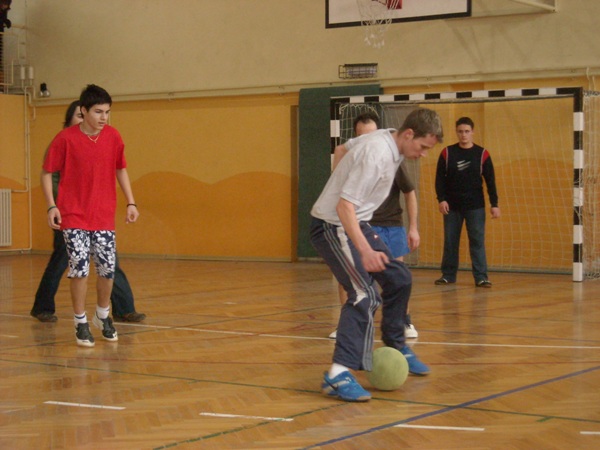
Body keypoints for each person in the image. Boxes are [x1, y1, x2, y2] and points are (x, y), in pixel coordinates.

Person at [311, 108, 443, 402]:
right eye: (422, 147)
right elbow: (344, 207)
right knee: (363, 294)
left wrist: (339, 176)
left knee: (399, 278)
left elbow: (342, 148)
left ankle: (396, 346)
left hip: (356, 223)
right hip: (333, 226)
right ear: (408, 134)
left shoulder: (386, 138)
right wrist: (365, 249)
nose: (423, 154)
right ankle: (337, 374)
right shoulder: (377, 155)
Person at [41, 84, 139, 347]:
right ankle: (80, 321)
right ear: (83, 111)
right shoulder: (65, 139)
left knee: (107, 270)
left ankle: (102, 314)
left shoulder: (113, 136)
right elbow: (47, 172)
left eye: (107, 112)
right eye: (98, 111)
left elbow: (121, 169)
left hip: (103, 215)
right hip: (74, 215)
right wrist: (52, 206)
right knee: (79, 268)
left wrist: (131, 202)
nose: (103, 117)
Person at [329, 112, 420, 340]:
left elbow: (409, 193)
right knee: (349, 277)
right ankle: (347, 324)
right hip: (360, 225)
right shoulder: (352, 161)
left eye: (370, 135)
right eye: (361, 136)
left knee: (397, 276)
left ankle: (404, 321)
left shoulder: (391, 160)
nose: (366, 140)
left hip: (391, 226)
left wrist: (413, 227)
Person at [434, 116, 500, 287]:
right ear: (456, 132)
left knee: (477, 242)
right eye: (460, 131)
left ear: (472, 132)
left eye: (467, 131)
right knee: (450, 242)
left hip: (475, 207)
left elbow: (490, 181)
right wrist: (441, 200)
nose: (463, 135)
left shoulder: (482, 154)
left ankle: (481, 277)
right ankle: (448, 275)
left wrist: (494, 204)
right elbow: (439, 179)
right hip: (452, 207)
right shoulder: (447, 153)